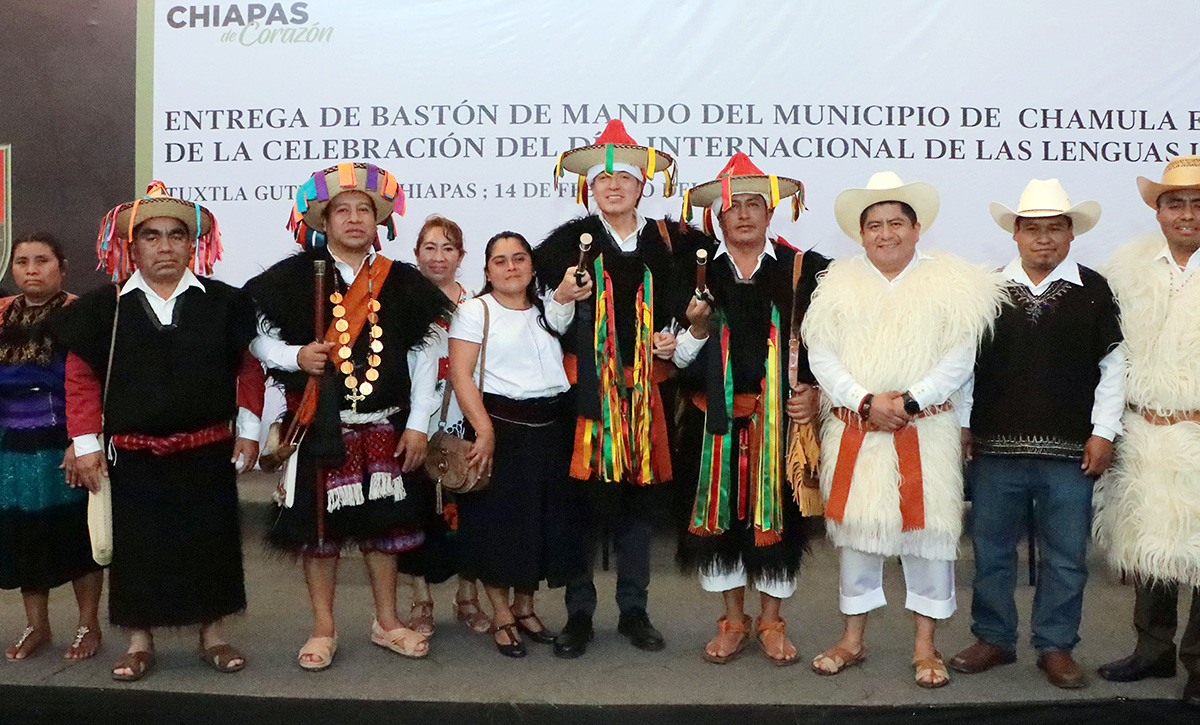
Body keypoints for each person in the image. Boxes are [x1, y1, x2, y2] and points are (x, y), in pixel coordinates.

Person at [246, 162, 452, 670]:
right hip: (321, 426)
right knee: (321, 534)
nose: (355, 219)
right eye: (344, 210)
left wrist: (420, 424)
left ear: (378, 221)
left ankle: (387, 621)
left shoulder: (402, 282)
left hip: (386, 421)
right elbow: (253, 340)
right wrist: (295, 357)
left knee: (385, 529)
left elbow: (424, 359)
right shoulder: (291, 278)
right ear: (324, 220)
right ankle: (323, 629)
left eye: (365, 210)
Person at [803, 171, 1004, 688]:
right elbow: (821, 354)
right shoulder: (837, 283)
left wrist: (910, 401)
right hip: (857, 429)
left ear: (917, 229)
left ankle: (926, 646)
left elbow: (960, 358)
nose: (886, 233)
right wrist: (864, 401)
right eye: (875, 225)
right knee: (858, 534)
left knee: (929, 536)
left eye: (897, 222)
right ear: (861, 233)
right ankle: (852, 640)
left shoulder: (953, 284)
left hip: (926, 429)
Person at [60, 183, 264, 681]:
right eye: (152, 237)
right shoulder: (100, 311)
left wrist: (251, 431)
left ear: (193, 245)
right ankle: (138, 641)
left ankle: (212, 635)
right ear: (132, 248)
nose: (166, 246)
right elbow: (82, 379)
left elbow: (249, 369)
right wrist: (85, 444)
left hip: (207, 451)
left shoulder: (225, 303)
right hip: (132, 456)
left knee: (210, 543)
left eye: (177, 236)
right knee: (137, 550)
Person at [536, 119, 702, 658]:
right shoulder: (566, 244)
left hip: (648, 395)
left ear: (641, 187)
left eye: (625, 179)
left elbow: (696, 315)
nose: (614, 187)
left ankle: (634, 609)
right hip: (587, 398)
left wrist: (675, 337)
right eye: (603, 179)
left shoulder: (673, 244)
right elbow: (552, 328)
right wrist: (561, 296)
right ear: (591, 188)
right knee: (581, 504)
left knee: (639, 505)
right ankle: (579, 613)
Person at [949, 179, 1122, 688]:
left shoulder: (1095, 289)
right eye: (1032, 229)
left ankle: (1056, 645)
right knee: (991, 550)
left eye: (1054, 229)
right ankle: (995, 639)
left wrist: (1104, 432)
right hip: (994, 449)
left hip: (1072, 450)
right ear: (1015, 235)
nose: (1043, 239)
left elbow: (1114, 366)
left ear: (1071, 234)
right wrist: (962, 425)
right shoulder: (987, 290)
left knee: (1067, 555)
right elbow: (966, 367)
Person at [671, 154, 827, 665]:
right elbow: (677, 359)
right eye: (732, 206)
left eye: (754, 205)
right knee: (717, 521)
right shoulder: (694, 274)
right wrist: (695, 330)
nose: (742, 214)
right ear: (717, 217)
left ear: (770, 213)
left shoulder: (803, 272)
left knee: (778, 520)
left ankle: (773, 622)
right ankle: (733, 620)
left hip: (780, 424)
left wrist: (816, 392)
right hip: (709, 420)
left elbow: (828, 348)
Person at [1094, 155, 1200, 709]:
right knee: (1147, 545)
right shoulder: (1126, 271)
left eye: (1197, 203)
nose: (1187, 213)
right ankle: (1152, 649)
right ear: (1157, 212)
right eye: (1175, 202)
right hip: (1142, 428)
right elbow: (1109, 355)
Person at [449, 231, 583, 658]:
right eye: (500, 260)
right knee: (497, 528)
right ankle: (502, 614)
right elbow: (461, 375)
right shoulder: (475, 310)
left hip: (550, 428)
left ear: (530, 265)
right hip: (499, 428)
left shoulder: (548, 310)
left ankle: (526, 608)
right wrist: (484, 432)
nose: (511, 267)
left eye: (519, 258)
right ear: (486, 270)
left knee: (541, 526)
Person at [1, 234, 103, 662]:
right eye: (22, 261)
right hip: (12, 447)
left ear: (61, 266)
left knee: (77, 537)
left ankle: (88, 625)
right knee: (23, 536)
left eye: (41, 261)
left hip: (67, 444)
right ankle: (36, 625)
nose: (31, 270)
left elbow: (100, 383)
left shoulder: (82, 314)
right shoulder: (2, 314)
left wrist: (81, 442)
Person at [396, 214, 493, 636]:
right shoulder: (398, 304)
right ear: (416, 254)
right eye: (430, 248)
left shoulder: (479, 306)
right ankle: (421, 599)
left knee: (472, 510)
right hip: (417, 422)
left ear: (462, 257)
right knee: (416, 512)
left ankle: (467, 597)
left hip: (468, 419)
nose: (439, 257)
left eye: (448, 248)